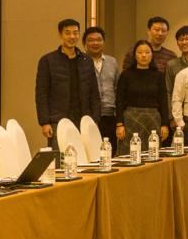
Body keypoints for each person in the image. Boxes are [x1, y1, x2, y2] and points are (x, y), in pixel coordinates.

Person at [35, 18, 102, 148]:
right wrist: (44, 122)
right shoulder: (47, 60)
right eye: (68, 33)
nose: (72, 36)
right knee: (60, 156)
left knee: (85, 156)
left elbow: (94, 93)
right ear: (60, 35)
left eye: (75, 33)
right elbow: (41, 94)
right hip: (58, 119)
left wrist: (95, 119)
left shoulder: (86, 60)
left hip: (84, 120)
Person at [115, 39, 170, 152]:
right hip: (131, 118)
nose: (144, 55)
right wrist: (119, 124)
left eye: (147, 52)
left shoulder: (158, 76)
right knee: (129, 153)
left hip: (153, 118)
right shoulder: (126, 75)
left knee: (152, 153)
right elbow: (119, 100)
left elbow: (163, 101)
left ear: (152, 55)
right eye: (140, 52)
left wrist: (165, 124)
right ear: (135, 55)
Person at [83, 26, 119, 149]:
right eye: (91, 40)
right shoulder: (81, 62)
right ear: (85, 43)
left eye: (99, 40)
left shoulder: (112, 62)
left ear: (103, 42)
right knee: (90, 150)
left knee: (109, 150)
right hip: (88, 116)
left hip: (109, 114)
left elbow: (116, 88)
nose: (95, 43)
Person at [164, 25, 188, 113]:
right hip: (178, 112)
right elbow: (168, 92)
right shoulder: (171, 64)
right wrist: (171, 115)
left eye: (187, 39)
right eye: (180, 40)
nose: (184, 42)